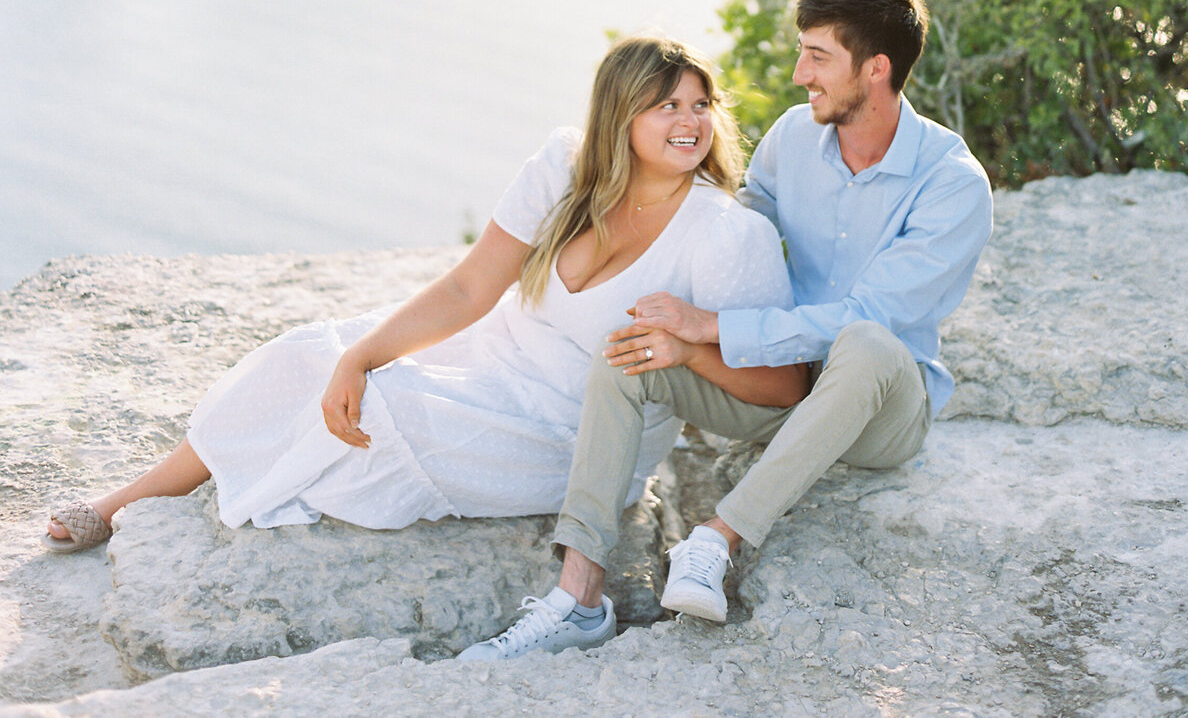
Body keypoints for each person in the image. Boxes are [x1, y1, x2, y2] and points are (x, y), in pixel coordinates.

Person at [45, 32, 806, 653]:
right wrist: (361, 352)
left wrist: (691, 348)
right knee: (307, 356)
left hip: (571, 433)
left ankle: (279, 468)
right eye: (666, 104)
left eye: (701, 104)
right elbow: (467, 290)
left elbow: (785, 389)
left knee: (389, 410)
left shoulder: (725, 236)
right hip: (491, 362)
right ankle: (125, 502)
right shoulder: (564, 172)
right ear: (618, 117)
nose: (691, 120)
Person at [460, 0, 992, 661]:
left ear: (877, 68)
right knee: (633, 352)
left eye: (818, 57)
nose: (800, 73)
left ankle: (717, 538)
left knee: (865, 341)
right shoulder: (794, 137)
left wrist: (710, 328)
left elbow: (865, 317)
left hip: (876, 410)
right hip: (775, 389)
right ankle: (578, 599)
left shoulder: (951, 184)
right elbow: (737, 231)